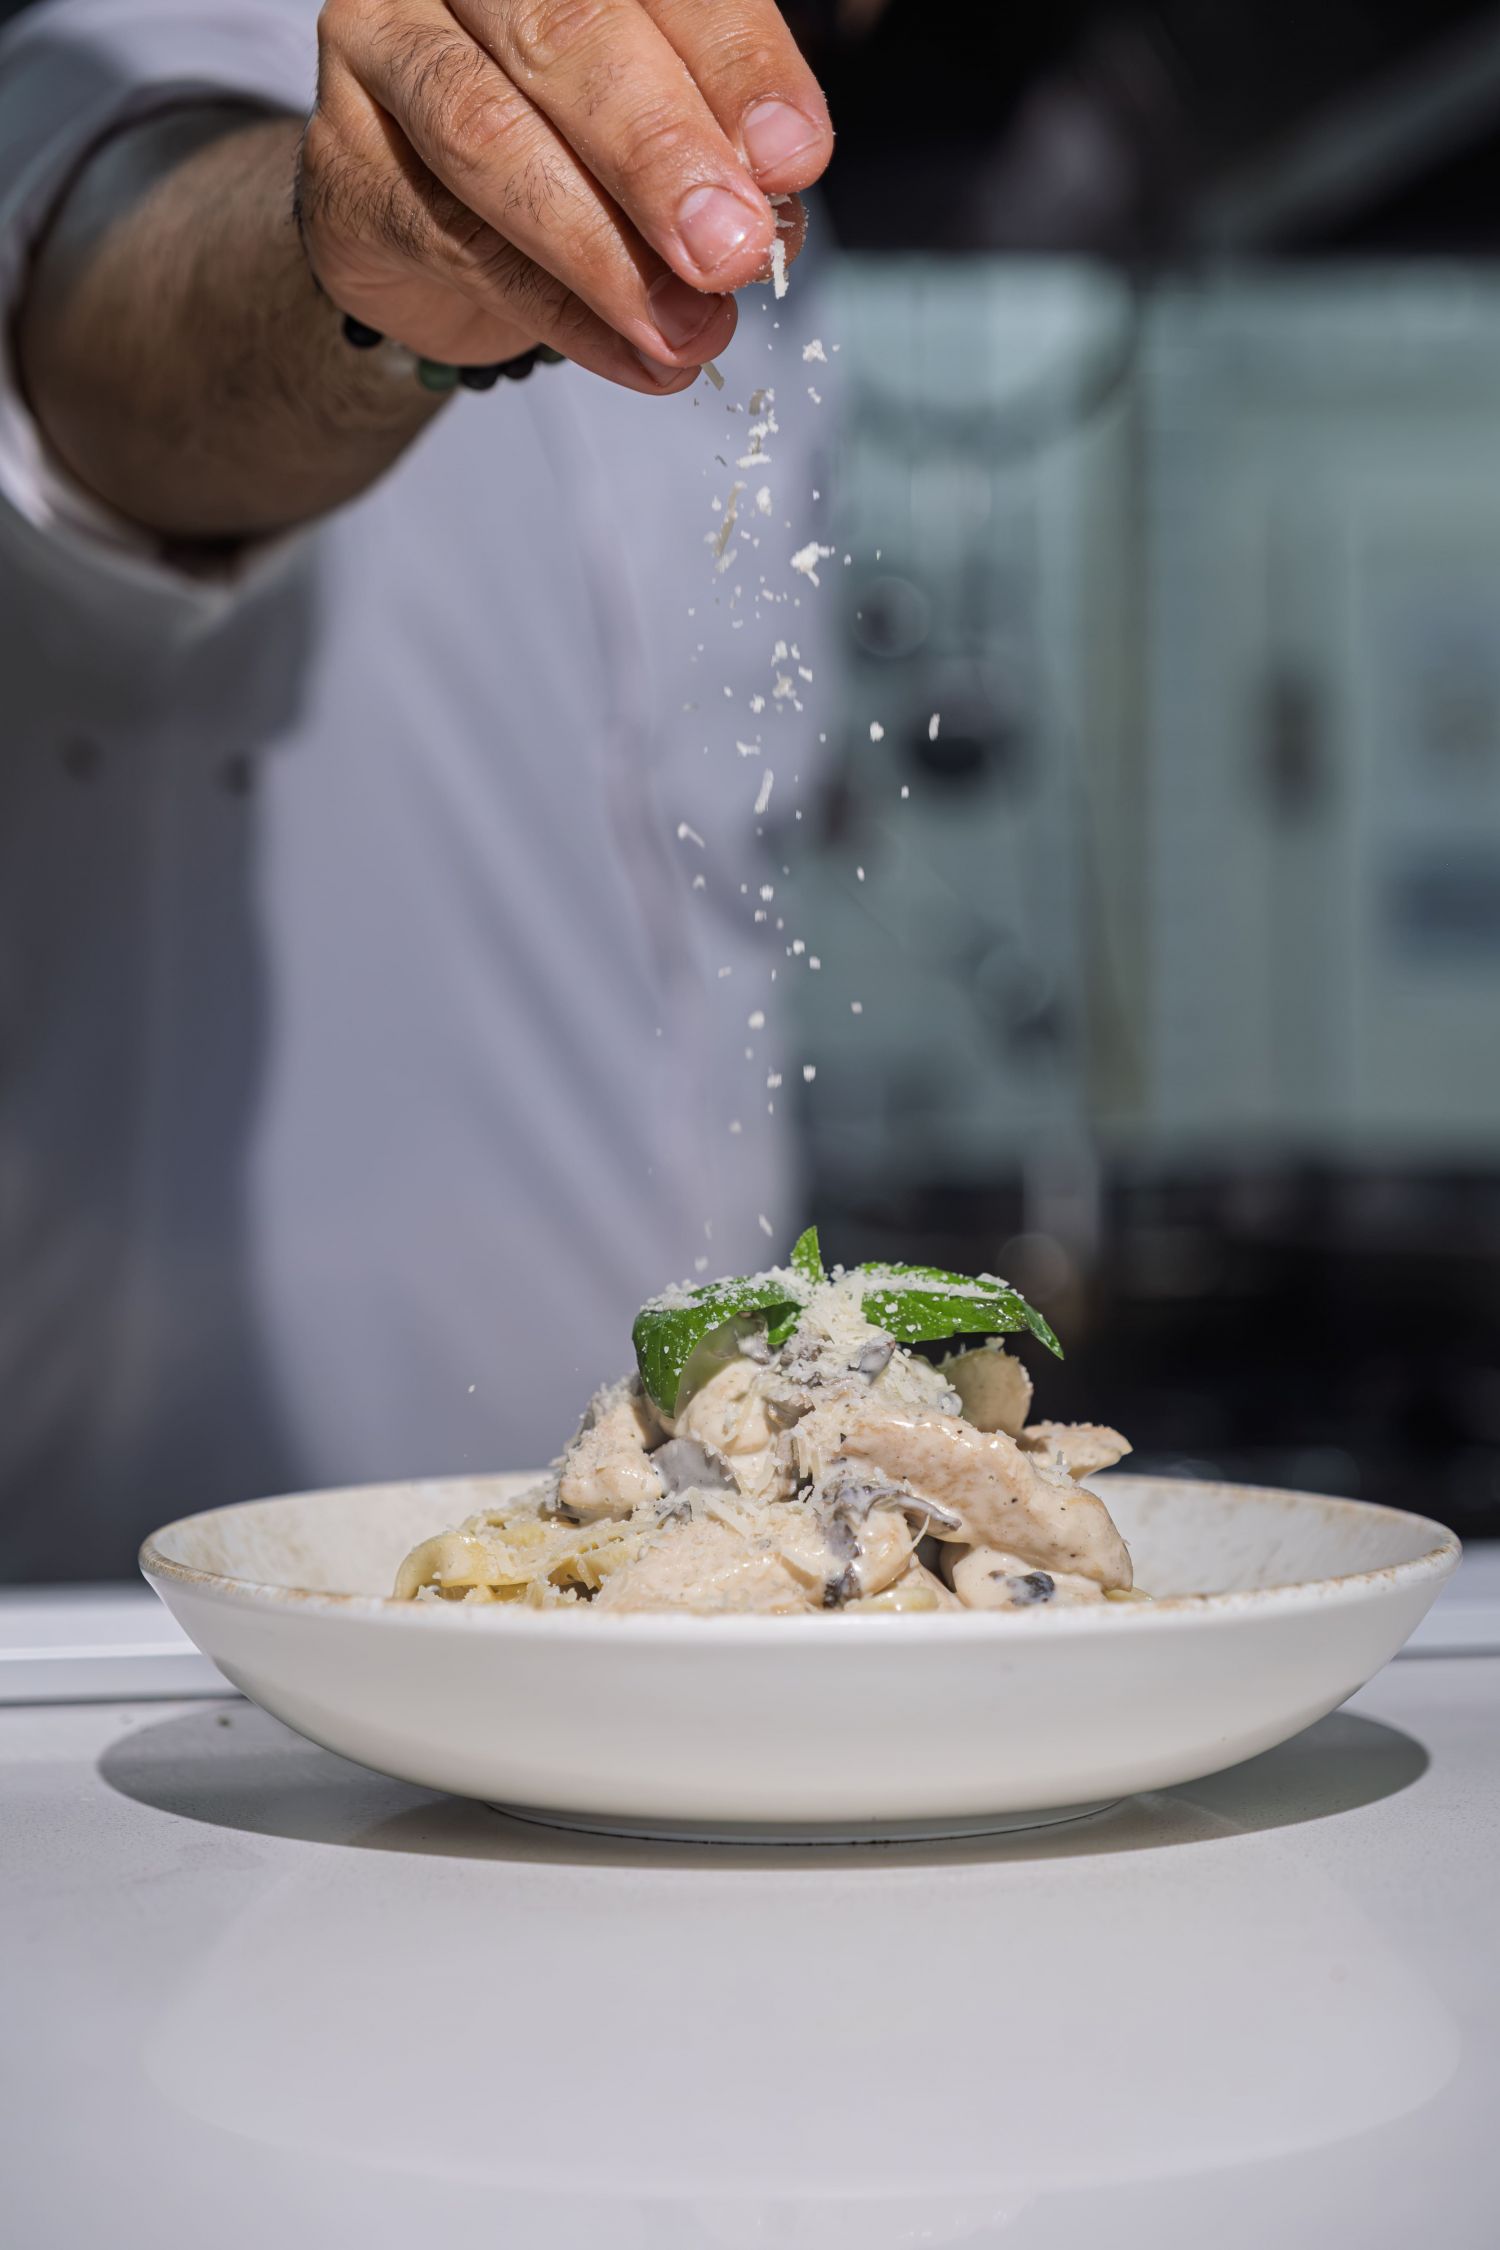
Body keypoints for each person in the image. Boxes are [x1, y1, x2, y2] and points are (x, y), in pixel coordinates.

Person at [0, 0, 839, 1579]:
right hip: (186, 1627)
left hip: (683, 1600)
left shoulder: (777, 243)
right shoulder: (163, 53)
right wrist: (358, 279)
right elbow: (119, 337)